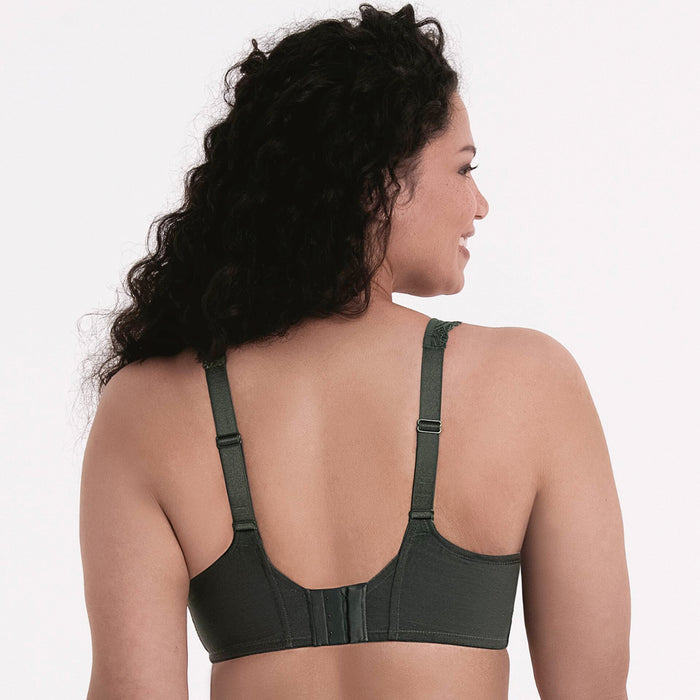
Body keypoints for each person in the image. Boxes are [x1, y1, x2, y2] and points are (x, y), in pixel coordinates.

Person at [78, 4, 630, 698]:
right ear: (377, 184)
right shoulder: (530, 384)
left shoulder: (147, 408)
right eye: (464, 169)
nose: (480, 204)